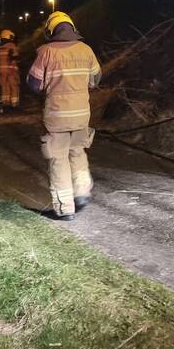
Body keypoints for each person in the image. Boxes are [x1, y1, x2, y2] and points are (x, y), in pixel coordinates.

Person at [27, 12, 102, 220]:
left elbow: (34, 84)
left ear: (50, 31)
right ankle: (82, 193)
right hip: (81, 116)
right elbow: (96, 77)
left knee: (58, 159)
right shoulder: (86, 50)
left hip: (56, 117)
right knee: (77, 152)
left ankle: (65, 208)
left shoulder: (46, 53)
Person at [0, 29, 20, 111]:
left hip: (1, 70)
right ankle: (14, 104)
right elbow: (15, 57)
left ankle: (5, 103)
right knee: (13, 86)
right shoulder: (11, 46)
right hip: (11, 70)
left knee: (4, 87)